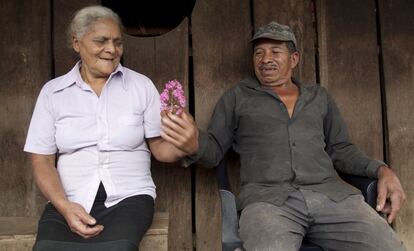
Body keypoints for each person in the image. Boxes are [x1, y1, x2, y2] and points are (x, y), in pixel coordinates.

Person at [161, 21, 407, 250]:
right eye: (259, 53)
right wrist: (194, 143)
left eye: (275, 52)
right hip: (268, 203)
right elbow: (214, 151)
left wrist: (381, 170)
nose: (265, 59)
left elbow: (341, 149)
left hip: (333, 199)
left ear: (294, 59)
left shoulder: (318, 97)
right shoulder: (237, 97)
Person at [24, 5, 188, 251]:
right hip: (69, 199)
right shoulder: (53, 93)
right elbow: (42, 161)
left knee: (118, 248)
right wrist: (65, 207)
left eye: (118, 42)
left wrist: (186, 142)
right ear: (76, 43)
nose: (112, 50)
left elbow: (161, 149)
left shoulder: (140, 86)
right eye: (101, 41)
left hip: (129, 198)